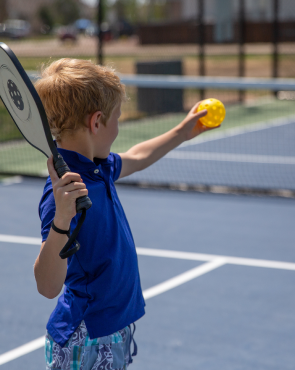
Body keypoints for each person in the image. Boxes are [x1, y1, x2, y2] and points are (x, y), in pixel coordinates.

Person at [33, 58, 216, 370]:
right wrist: (61, 220)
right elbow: (48, 287)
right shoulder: (63, 193)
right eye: (117, 118)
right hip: (86, 336)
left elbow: (137, 156)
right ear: (97, 122)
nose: (118, 128)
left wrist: (182, 132)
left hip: (111, 329)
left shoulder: (98, 166)